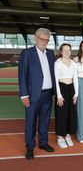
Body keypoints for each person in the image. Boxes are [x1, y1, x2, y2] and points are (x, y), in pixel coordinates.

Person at [18, 28, 56, 160]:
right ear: (36, 38)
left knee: (45, 121)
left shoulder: (51, 54)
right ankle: (29, 147)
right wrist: (24, 95)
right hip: (33, 95)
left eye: (46, 40)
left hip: (48, 94)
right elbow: (22, 74)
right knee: (31, 122)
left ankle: (43, 143)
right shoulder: (27, 53)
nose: (44, 42)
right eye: (41, 39)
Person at [54, 43, 78, 148]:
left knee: (71, 113)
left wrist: (76, 93)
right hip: (61, 88)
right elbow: (55, 79)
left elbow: (76, 79)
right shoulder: (57, 63)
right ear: (61, 51)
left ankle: (68, 135)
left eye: (69, 50)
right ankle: (60, 137)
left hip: (71, 89)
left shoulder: (73, 63)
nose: (67, 52)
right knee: (61, 114)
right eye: (65, 50)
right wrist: (59, 95)